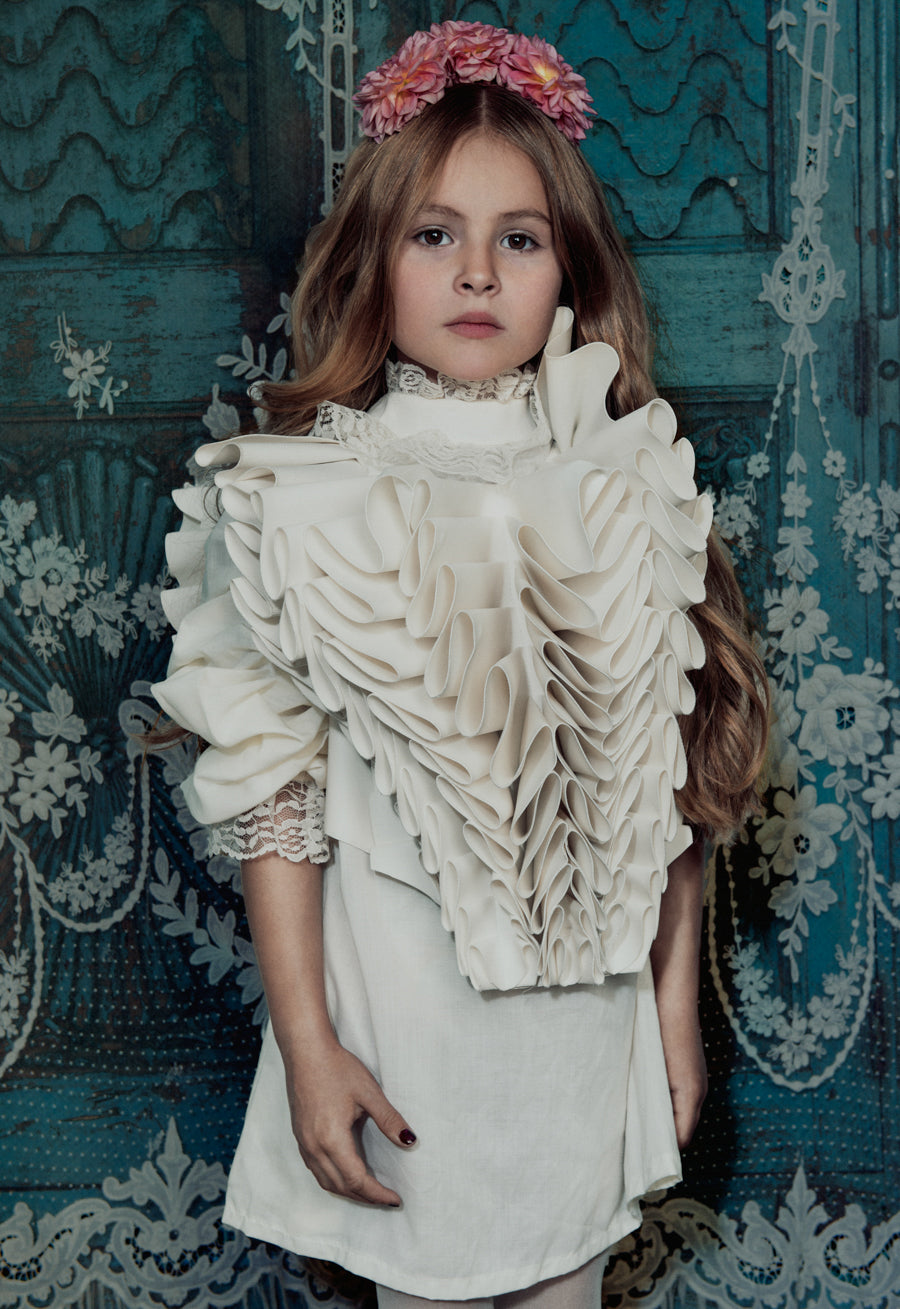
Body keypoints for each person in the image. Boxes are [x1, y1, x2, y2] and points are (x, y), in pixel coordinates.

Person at [152, 22, 768, 1309]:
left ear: (568, 271)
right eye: (435, 234)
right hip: (412, 1041)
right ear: (376, 262)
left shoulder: (623, 479)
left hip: (576, 1047)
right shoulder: (304, 497)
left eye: (520, 238)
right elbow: (279, 797)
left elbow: (670, 784)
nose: (477, 271)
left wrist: (671, 1008)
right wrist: (309, 1043)